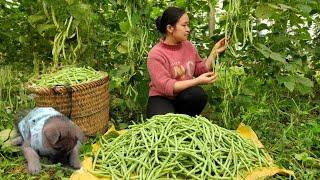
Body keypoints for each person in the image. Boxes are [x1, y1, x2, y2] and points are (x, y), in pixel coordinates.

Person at [146, 6, 228, 118]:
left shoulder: (189, 46)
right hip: (162, 97)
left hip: (183, 96)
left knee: (197, 95)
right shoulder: (156, 54)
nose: (188, 29)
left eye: (188, 25)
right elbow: (165, 87)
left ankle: (183, 123)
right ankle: (174, 125)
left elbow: (200, 69)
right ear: (170, 28)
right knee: (161, 123)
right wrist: (197, 81)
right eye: (184, 25)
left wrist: (214, 52)